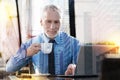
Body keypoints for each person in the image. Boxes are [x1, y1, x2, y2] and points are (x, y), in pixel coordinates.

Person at [6, 4, 80, 75]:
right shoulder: (31, 43)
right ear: (41, 22)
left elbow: (84, 70)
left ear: (61, 23)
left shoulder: (73, 43)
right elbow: (9, 68)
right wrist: (27, 53)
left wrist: (75, 69)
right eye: (48, 21)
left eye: (56, 22)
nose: (52, 27)